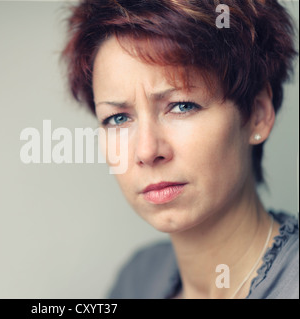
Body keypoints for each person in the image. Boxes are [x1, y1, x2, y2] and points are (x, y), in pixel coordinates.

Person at [61, 0, 298, 299]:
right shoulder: (137, 281)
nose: (147, 151)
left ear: (257, 113)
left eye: (182, 106)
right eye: (118, 118)